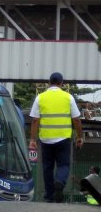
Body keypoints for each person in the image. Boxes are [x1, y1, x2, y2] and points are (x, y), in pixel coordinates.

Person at [29, 72, 84, 203]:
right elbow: (76, 120)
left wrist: (32, 140)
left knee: (47, 167)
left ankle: (49, 195)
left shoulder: (40, 97)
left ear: (49, 82)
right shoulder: (68, 97)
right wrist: (79, 137)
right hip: (63, 139)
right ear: (61, 83)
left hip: (46, 139)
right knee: (63, 165)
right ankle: (59, 181)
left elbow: (35, 121)